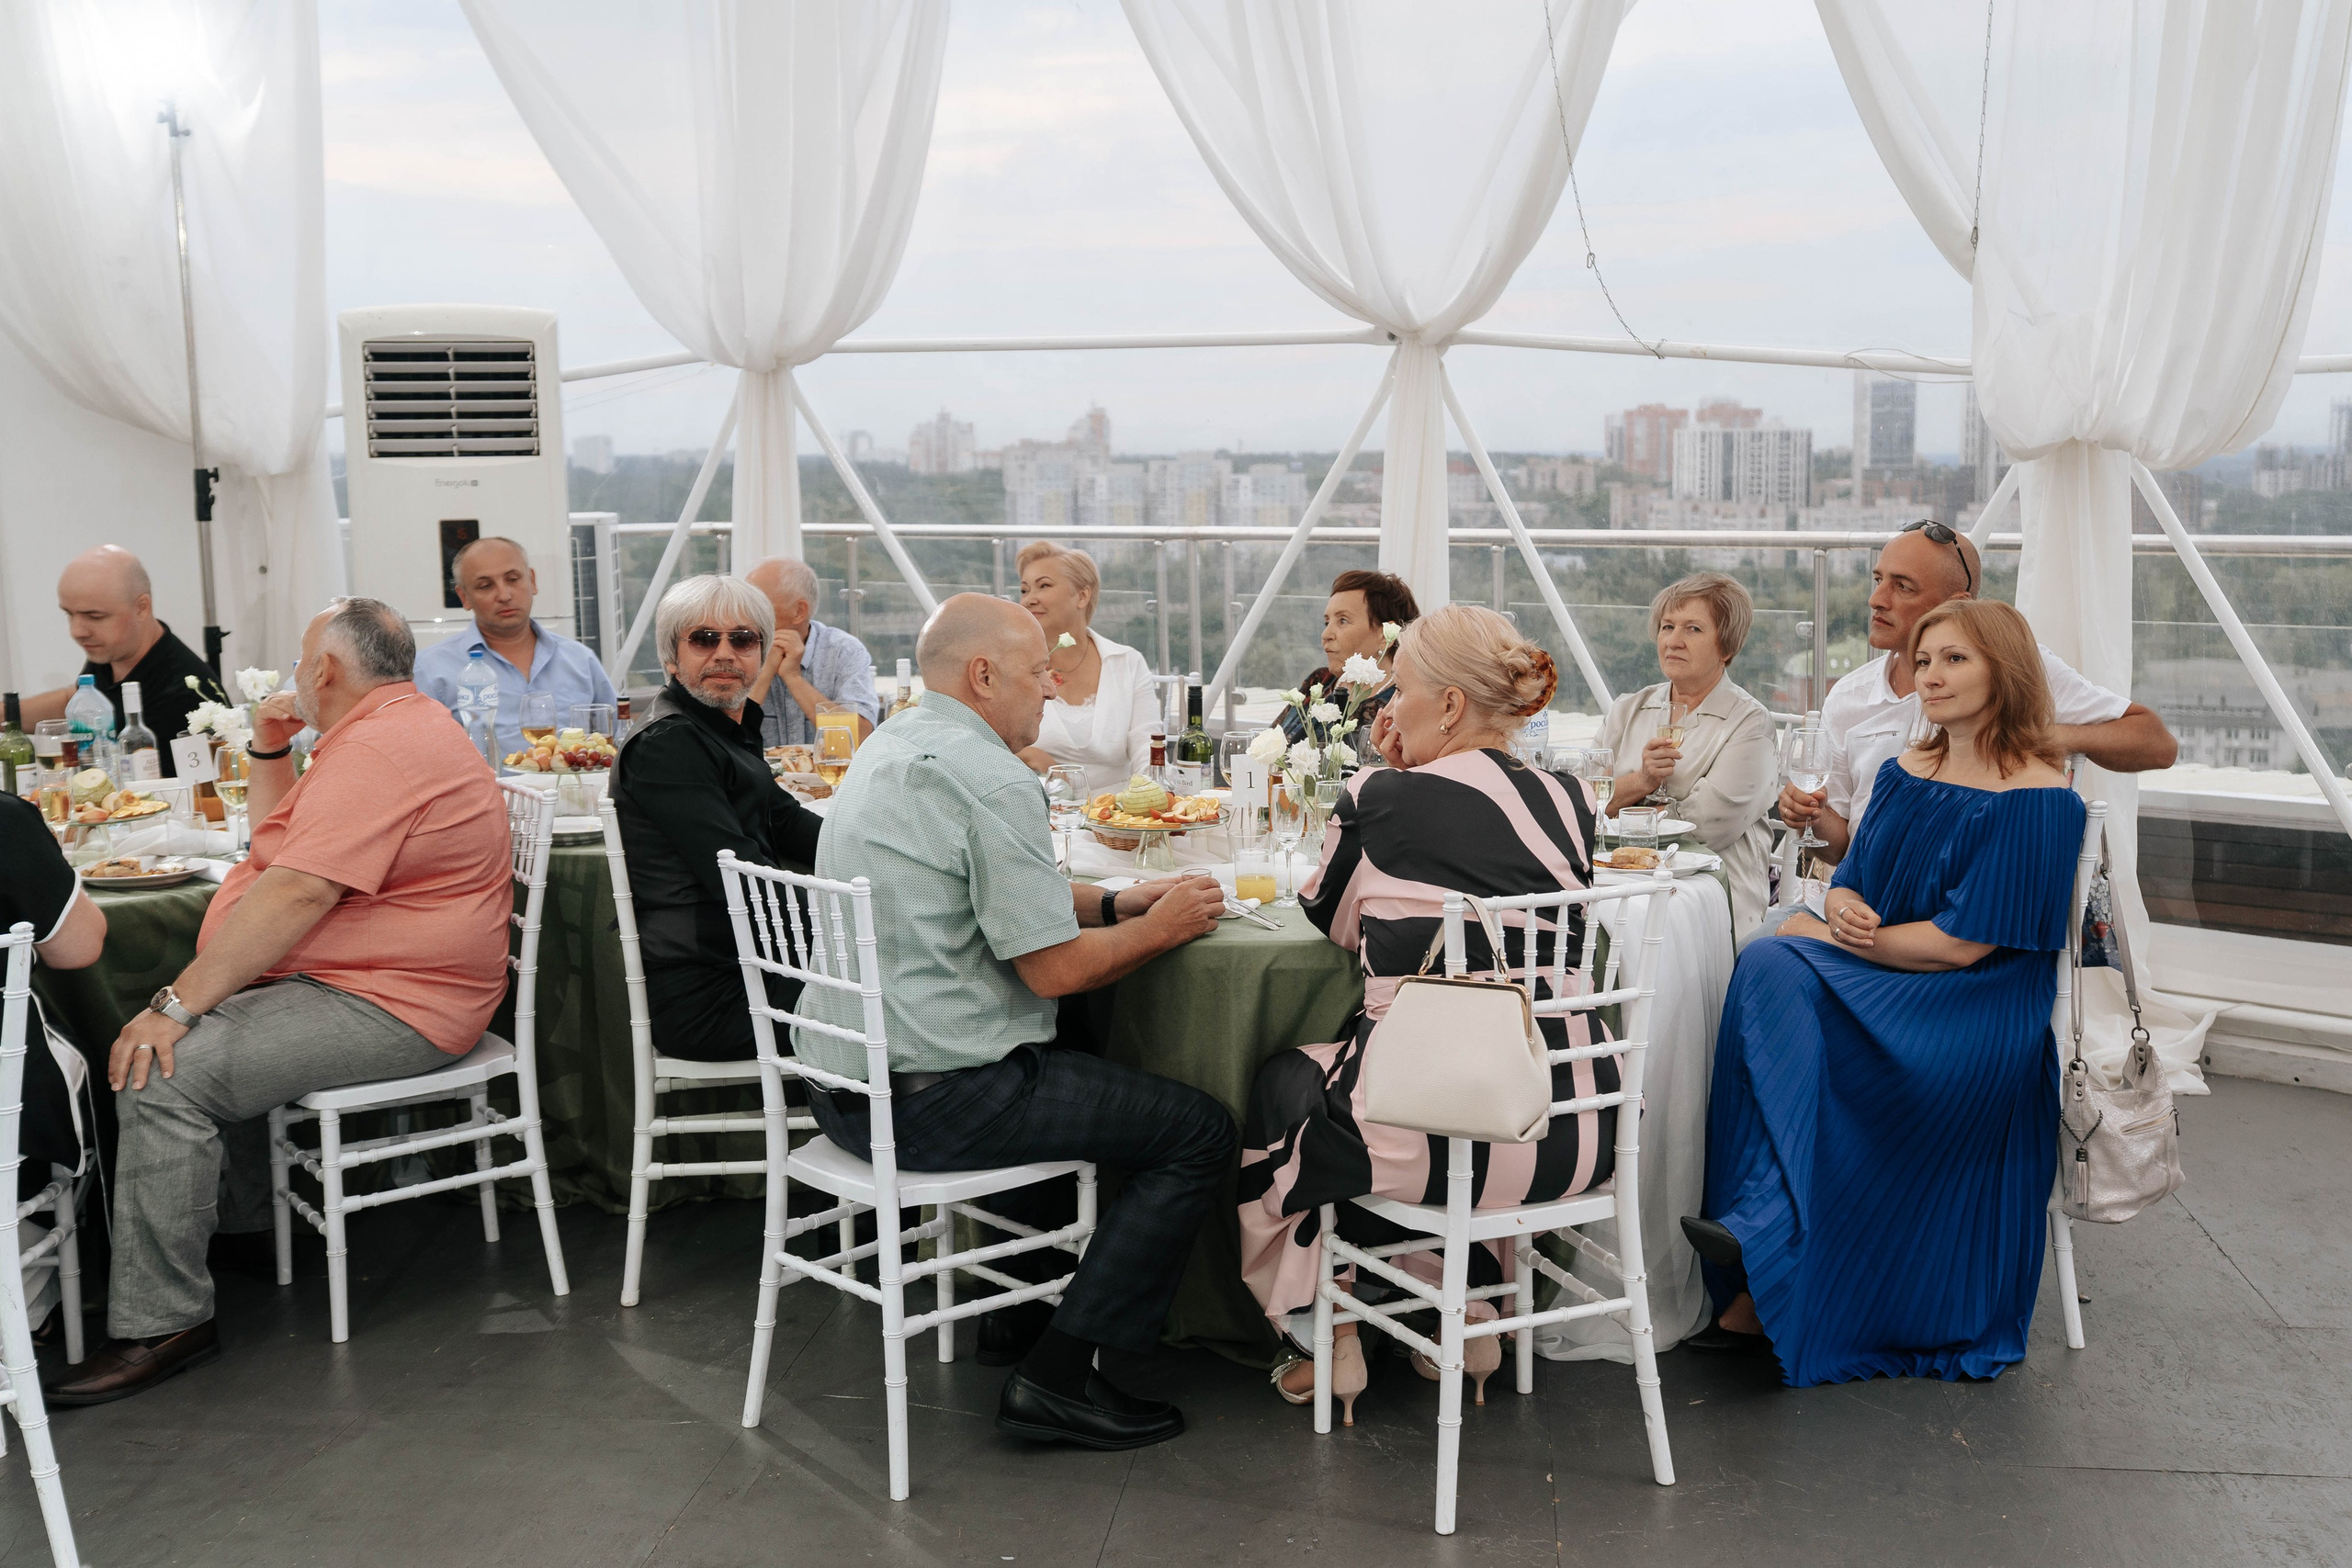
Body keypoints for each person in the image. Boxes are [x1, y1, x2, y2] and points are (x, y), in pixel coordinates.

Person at [44, 598, 513, 1406]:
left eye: (303, 658)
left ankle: (165, 1320)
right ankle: (244, 1229)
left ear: (326, 669)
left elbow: (296, 892)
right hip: (366, 977)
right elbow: (277, 844)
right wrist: (268, 744)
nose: (296, 671)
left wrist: (174, 1005)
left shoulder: (383, 748)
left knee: (164, 1067)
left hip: (399, 1000)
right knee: (209, 1022)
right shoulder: (381, 727)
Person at [797, 592, 1236, 1452]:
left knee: (1062, 1051)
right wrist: (1161, 927)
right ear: (984, 674)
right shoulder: (993, 773)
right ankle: (1060, 1376)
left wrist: (1113, 898)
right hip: (936, 1100)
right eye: (1041, 672)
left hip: (844, 1085)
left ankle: (1019, 1311)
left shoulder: (893, 743)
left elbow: (983, 884)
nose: (1056, 689)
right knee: (1199, 1131)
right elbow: (1056, 969)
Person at [1683, 598, 2085, 1385]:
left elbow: (1961, 945)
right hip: (1881, 976)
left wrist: (1832, 934)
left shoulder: (2043, 797)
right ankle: (1766, 1234)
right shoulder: (1906, 770)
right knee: (1768, 960)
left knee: (1778, 958)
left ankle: (1765, 1246)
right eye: (1926, 660)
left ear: (2006, 669)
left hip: (1971, 1009)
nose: (1931, 676)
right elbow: (1851, 881)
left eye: (1955, 660)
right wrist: (1831, 907)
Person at [1238, 604, 1616, 1422]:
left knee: (1291, 1084)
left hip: (1428, 1144)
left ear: (1447, 706)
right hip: (1569, 1126)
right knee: (1437, 1094)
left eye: (1397, 690)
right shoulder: (1573, 801)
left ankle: (1321, 1329)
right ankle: (1471, 1313)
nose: (1384, 709)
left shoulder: (1379, 796)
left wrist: (1382, 783)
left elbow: (1333, 922)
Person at [1779, 522, 2174, 863]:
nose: (1877, 599)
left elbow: (2156, 744)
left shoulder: (2009, 665)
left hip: (1970, 886)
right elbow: (1843, 849)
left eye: (1903, 587)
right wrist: (1810, 815)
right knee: (1761, 944)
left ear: (1958, 605)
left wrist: (2039, 736)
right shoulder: (1850, 695)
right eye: (1879, 580)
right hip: (1870, 891)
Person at [612, 574, 824, 1063]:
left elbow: (791, 824)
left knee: (921, 980)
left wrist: (899, 858)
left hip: (756, 966)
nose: (724, 653)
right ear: (672, 656)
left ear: (762, 653)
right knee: (915, 1000)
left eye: (743, 639)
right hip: (712, 996)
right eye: (704, 639)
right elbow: (744, 881)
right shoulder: (669, 745)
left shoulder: (722, 729)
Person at [1593, 573, 1779, 939]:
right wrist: (1643, 782)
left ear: (1726, 647)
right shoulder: (1628, 709)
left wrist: (1619, 809)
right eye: (1667, 627)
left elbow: (1706, 826)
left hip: (1709, 895)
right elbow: (1581, 800)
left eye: (1693, 629)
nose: (1673, 641)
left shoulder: (1750, 723)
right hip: (1615, 886)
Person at [413, 535, 618, 757]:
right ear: (464, 597)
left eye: (513, 579)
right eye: (485, 586)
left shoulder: (580, 660)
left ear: (532, 581)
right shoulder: (432, 670)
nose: (504, 595)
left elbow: (611, 744)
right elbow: (422, 758)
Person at [24, 545, 218, 772]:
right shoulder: (113, 653)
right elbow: (76, 700)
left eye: (94, 616)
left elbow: (193, 796)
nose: (76, 631)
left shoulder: (183, 694)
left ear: (142, 608)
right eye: (69, 614)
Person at [1012, 542, 1160, 795]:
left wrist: (1147, 800)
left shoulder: (1126, 662)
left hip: (1117, 815)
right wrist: (1030, 755)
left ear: (1082, 596)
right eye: (1025, 590)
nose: (1029, 599)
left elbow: (1147, 743)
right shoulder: (1012, 663)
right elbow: (984, 737)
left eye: (1044, 585)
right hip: (1042, 810)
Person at [742, 556, 878, 749]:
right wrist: (765, 673)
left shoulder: (843, 651)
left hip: (829, 777)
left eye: (758, 605)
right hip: (754, 778)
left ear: (799, 611)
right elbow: (721, 735)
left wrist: (793, 678)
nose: (746, 614)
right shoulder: (735, 646)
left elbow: (861, 737)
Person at [1276, 569, 1420, 746]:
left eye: (1343, 621)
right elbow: (1268, 745)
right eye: (1327, 622)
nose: (1325, 634)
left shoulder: (1401, 706)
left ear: (1384, 635)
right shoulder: (1320, 681)